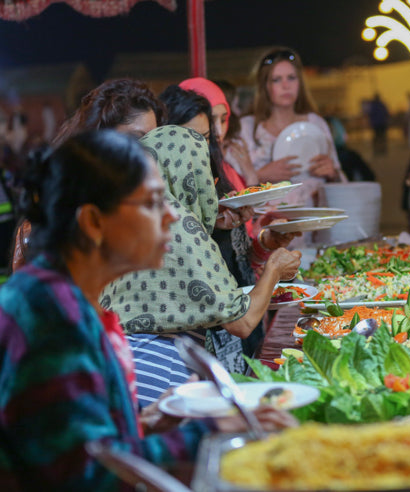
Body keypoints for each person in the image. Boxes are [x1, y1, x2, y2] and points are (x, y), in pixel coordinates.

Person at [0, 130, 293, 490]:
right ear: (93, 222)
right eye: (153, 203)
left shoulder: (69, 300)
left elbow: (85, 441)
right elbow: (87, 474)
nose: (172, 216)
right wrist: (211, 428)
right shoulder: (51, 319)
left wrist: (148, 419)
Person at [101, 126, 302, 407]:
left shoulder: (124, 214)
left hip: (116, 372)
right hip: (158, 377)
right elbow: (242, 322)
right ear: (192, 176)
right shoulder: (177, 224)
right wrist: (275, 269)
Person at [12, 79, 165, 271]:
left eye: (155, 141)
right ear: (100, 140)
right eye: (134, 140)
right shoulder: (55, 216)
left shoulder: (156, 211)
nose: (145, 152)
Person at [239, 47, 345, 206]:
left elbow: (342, 184)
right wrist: (260, 175)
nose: (285, 85)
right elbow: (229, 188)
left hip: (314, 223)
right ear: (265, 86)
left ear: (300, 83)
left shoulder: (315, 123)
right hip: (265, 224)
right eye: (276, 79)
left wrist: (332, 173)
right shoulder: (247, 128)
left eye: (291, 78)